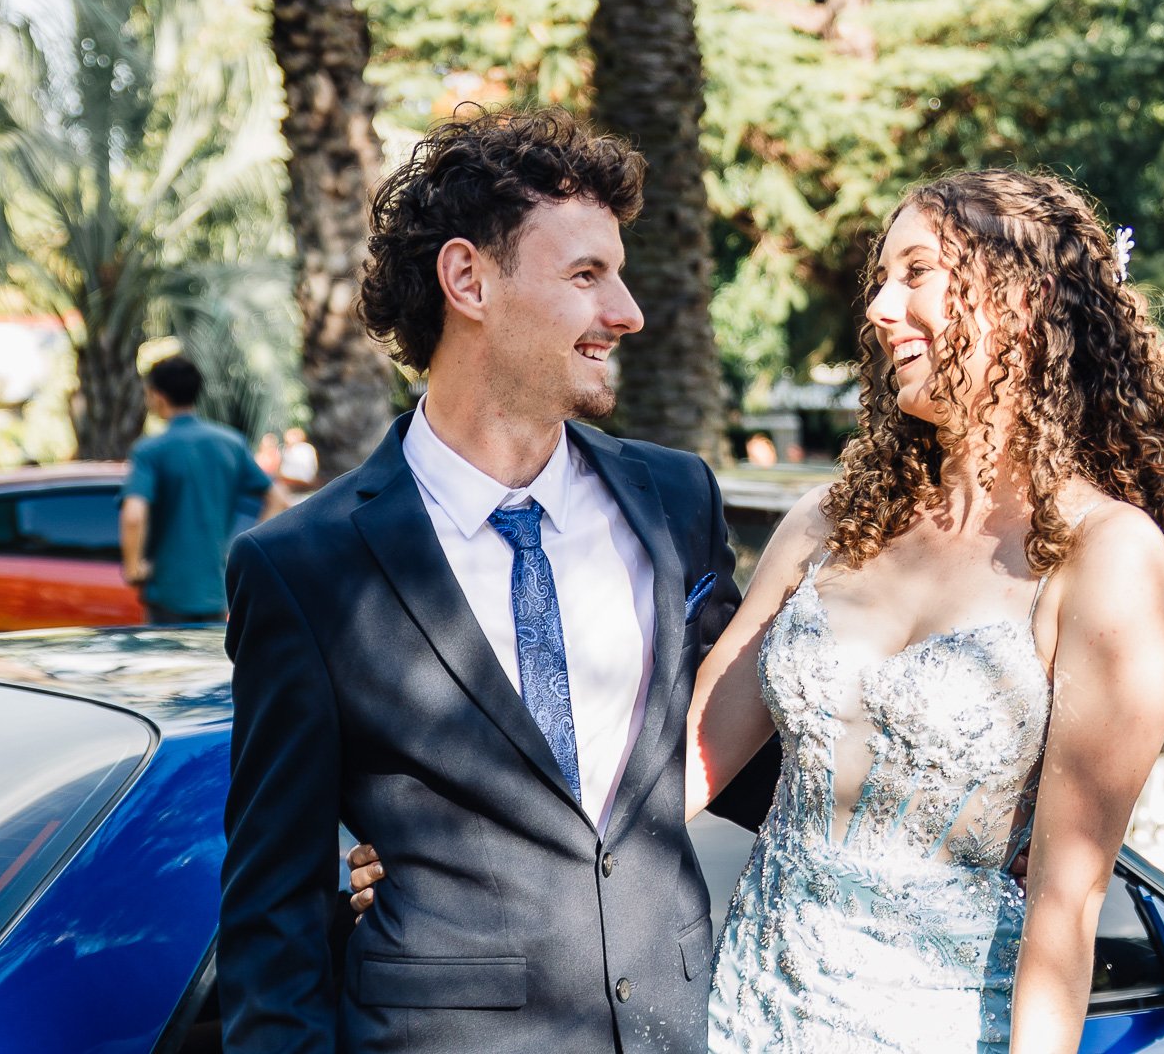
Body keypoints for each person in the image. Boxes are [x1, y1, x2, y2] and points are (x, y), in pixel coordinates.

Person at [351, 169, 1164, 1050]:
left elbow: (1067, 904)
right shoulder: (829, 523)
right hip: (746, 1014)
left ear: (1027, 301)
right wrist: (469, 855)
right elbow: (677, 762)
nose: (881, 307)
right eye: (881, 280)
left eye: (916, 273)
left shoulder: (1105, 554)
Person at [218, 107, 775, 1054]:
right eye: (587, 275)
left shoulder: (678, 498)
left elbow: (736, 761)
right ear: (468, 279)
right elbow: (272, 915)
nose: (627, 313)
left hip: (677, 1026)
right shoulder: (302, 567)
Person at [119, 355, 290, 624]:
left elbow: (133, 516)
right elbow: (279, 499)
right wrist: (241, 550)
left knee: (170, 666)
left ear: (157, 396)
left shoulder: (150, 450)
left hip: (168, 592)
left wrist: (133, 568)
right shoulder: (231, 443)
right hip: (215, 589)